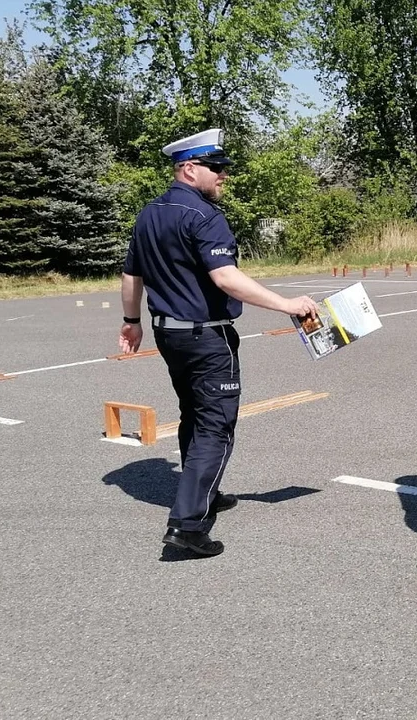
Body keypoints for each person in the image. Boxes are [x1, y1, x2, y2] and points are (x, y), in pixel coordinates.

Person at [118, 128, 319, 557]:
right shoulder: (205, 216)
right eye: (216, 168)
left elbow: (130, 274)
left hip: (167, 333)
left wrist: (131, 320)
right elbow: (226, 278)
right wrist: (287, 303)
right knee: (215, 426)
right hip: (206, 337)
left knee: (193, 412)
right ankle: (187, 525)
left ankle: (205, 494)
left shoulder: (150, 212)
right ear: (190, 169)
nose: (223, 175)